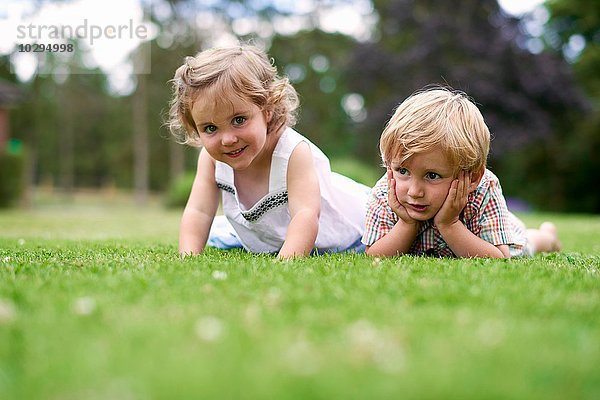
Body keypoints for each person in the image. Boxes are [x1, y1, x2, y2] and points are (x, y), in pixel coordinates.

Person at [168, 44, 369, 258]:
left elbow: (306, 215)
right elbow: (199, 211)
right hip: (270, 235)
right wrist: (188, 256)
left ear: (268, 110)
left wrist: (285, 262)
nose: (227, 139)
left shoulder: (292, 153)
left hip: (346, 234)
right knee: (220, 234)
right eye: (210, 128)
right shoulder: (211, 159)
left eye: (239, 120)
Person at [363, 87, 561, 258]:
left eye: (432, 175)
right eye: (403, 170)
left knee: (528, 244)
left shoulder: (484, 189)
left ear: (472, 177)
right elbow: (374, 255)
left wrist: (449, 224)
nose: (414, 192)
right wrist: (407, 224)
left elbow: (500, 257)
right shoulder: (386, 191)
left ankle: (547, 236)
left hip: (497, 234)